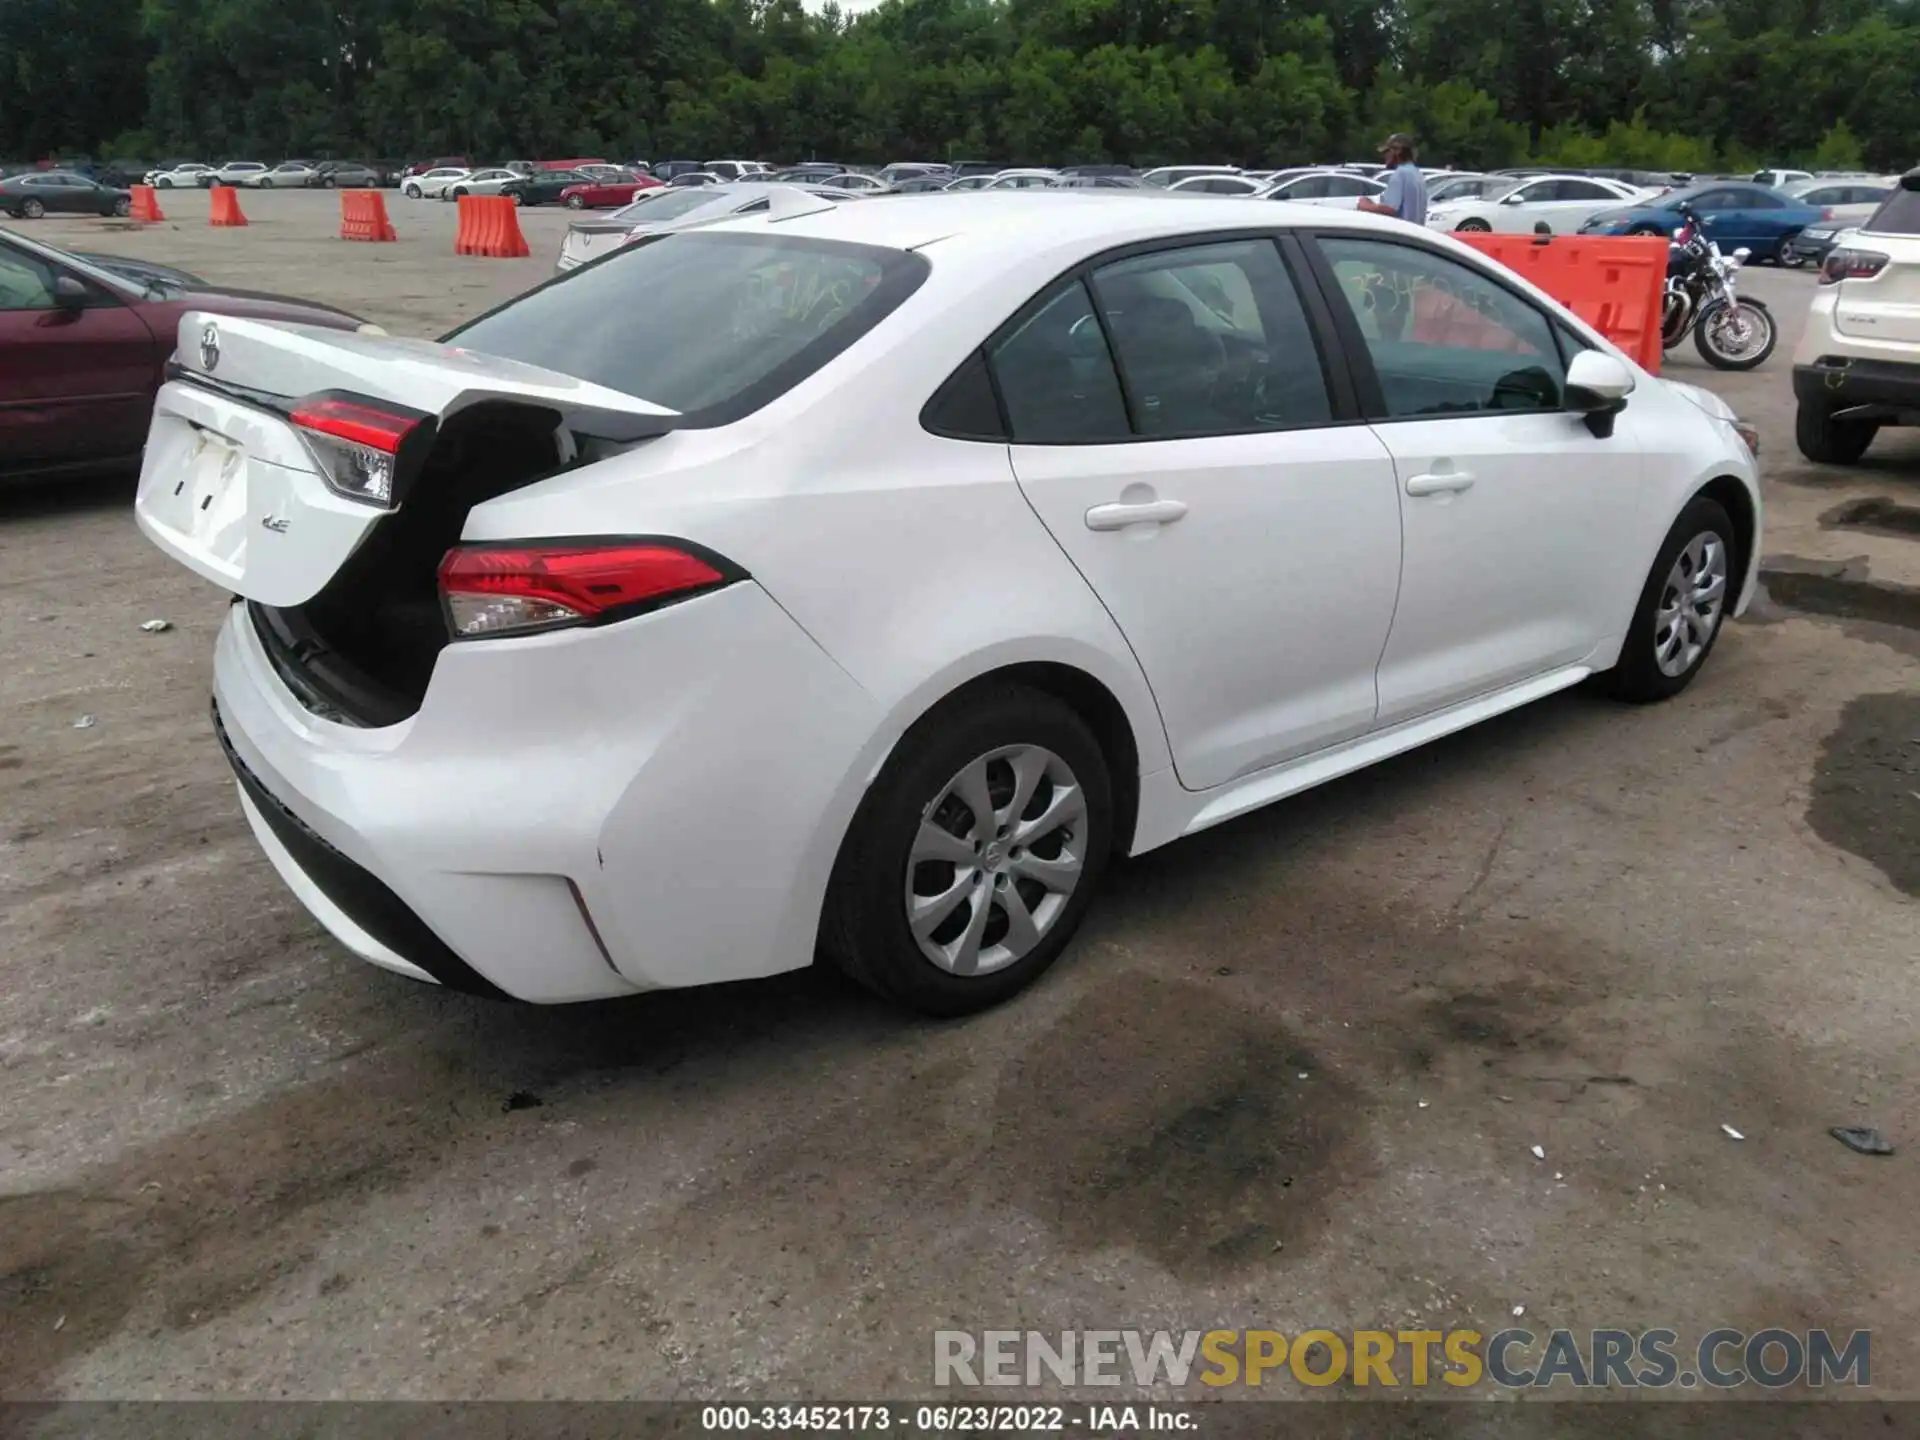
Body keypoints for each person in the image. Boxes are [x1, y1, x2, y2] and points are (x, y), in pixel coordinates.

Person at [1359, 133, 1427, 225]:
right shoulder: (1416, 173)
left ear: (1397, 151)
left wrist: (1366, 206)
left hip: (1401, 234)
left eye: (1386, 152)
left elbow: (1390, 209)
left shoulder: (1400, 173)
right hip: (1416, 234)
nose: (1384, 156)